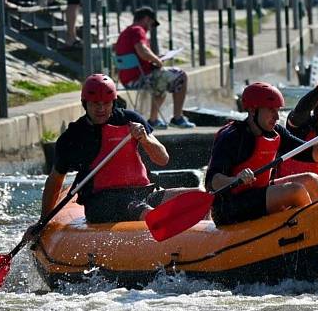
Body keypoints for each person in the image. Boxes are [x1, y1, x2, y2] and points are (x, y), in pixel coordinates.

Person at [24, 74, 200, 240]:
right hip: (101, 203)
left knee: (194, 195)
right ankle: (158, 223)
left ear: (113, 102)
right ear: (85, 103)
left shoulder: (130, 120)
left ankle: (199, 238)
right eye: (95, 104)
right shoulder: (73, 137)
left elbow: (163, 159)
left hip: (141, 194)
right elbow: (55, 179)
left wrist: (144, 139)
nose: (101, 109)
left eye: (106, 103)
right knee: (133, 205)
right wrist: (43, 220)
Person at [206, 82, 318, 226]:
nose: (277, 117)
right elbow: (213, 180)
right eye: (271, 110)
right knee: (295, 191)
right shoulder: (232, 136)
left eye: (277, 110)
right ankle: (314, 229)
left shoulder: (276, 132)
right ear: (252, 110)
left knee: (312, 179)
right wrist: (235, 179)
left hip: (258, 192)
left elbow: (314, 154)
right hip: (230, 205)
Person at [114, 6, 195, 129]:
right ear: (147, 19)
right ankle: (177, 118)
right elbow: (142, 51)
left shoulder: (125, 33)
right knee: (180, 76)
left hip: (128, 80)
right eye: (151, 24)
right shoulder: (137, 30)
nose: (150, 28)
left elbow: (138, 56)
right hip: (140, 79)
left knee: (162, 78)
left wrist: (155, 58)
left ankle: (154, 120)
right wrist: (158, 60)